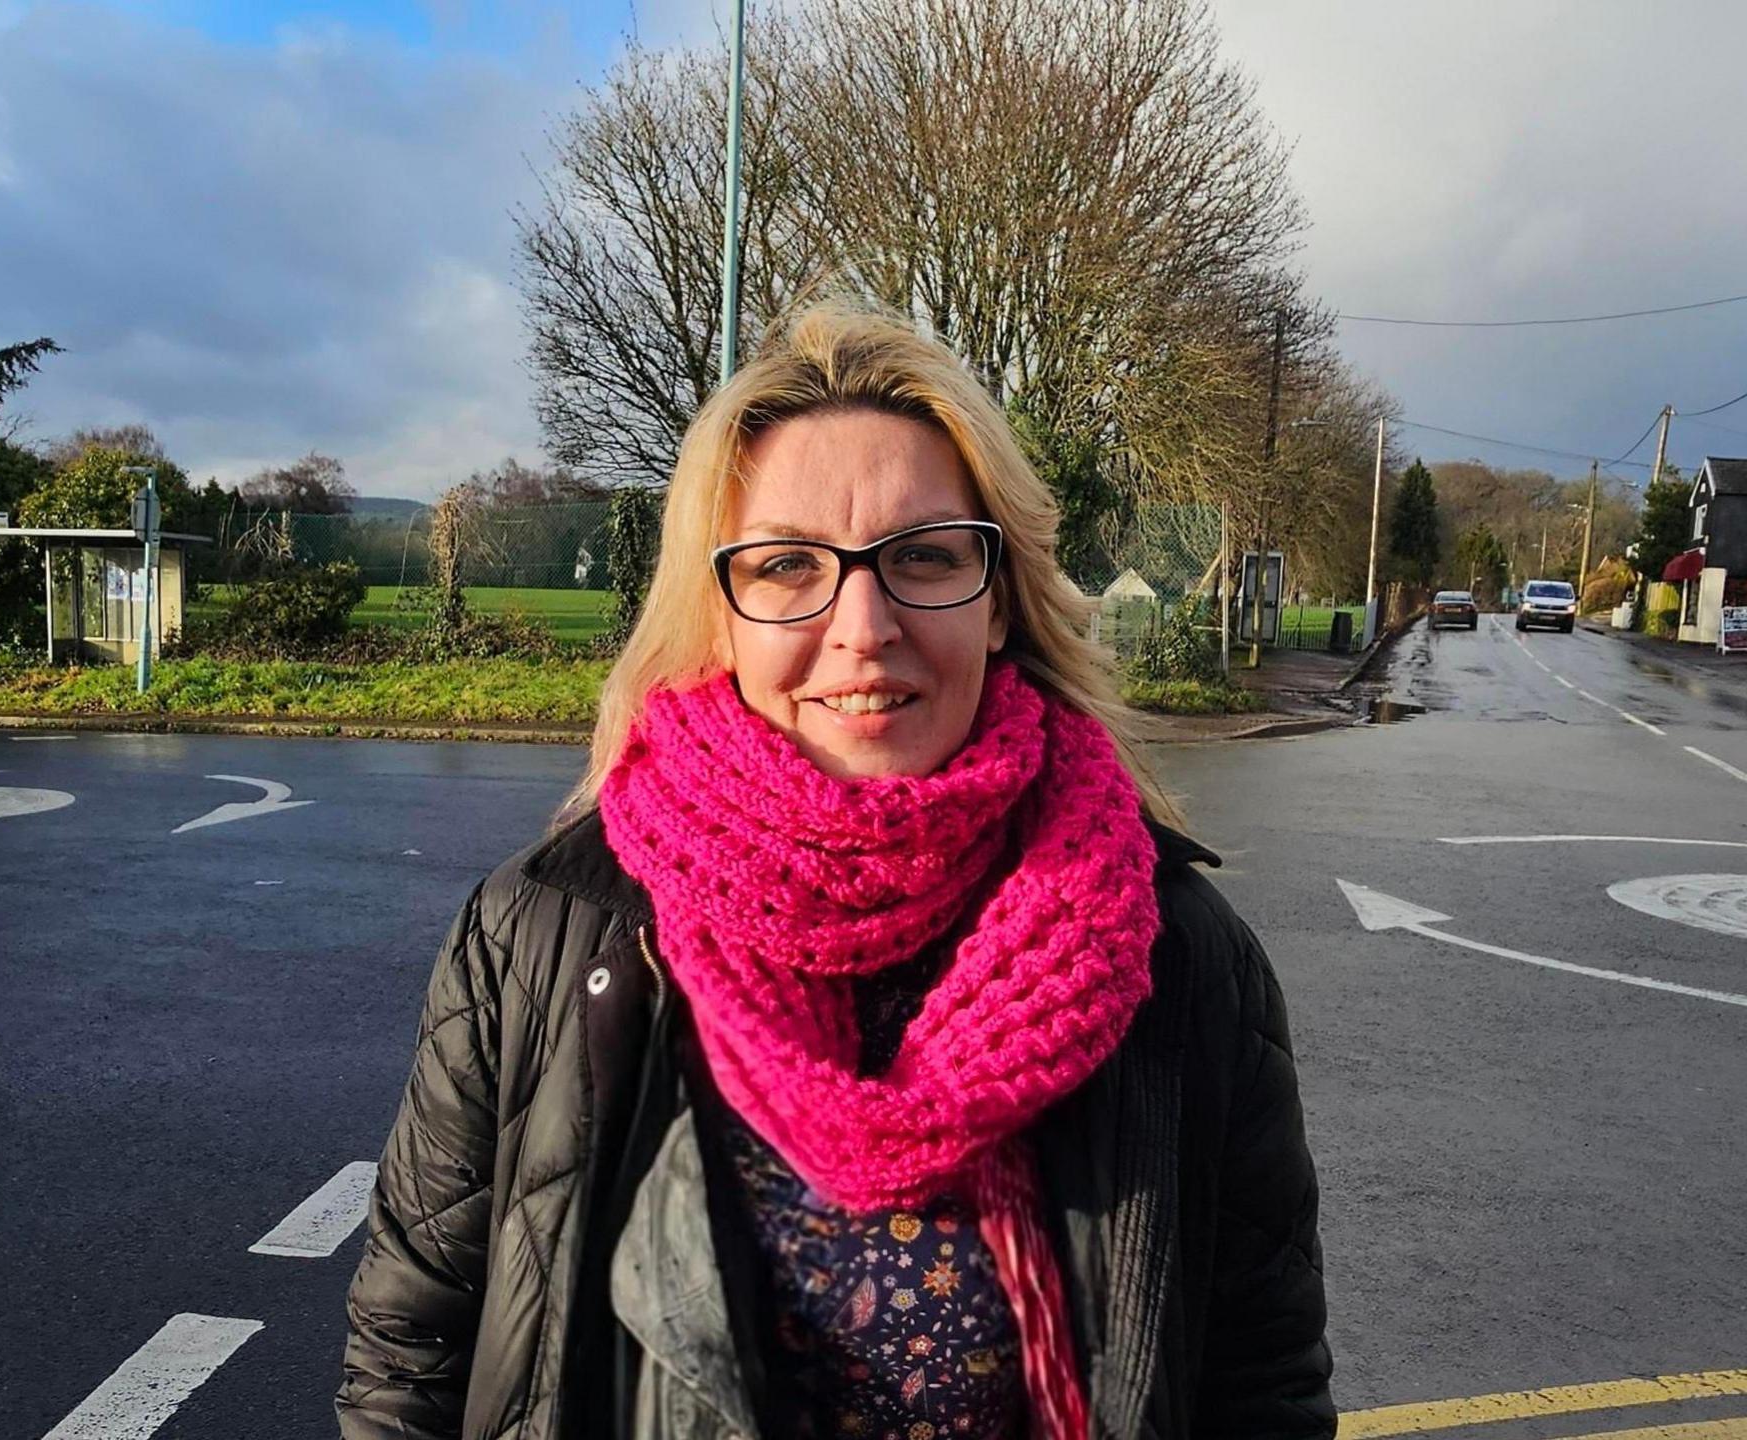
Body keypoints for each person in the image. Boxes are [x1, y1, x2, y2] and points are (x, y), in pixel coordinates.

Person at [339, 304, 1333, 1439]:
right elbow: (410, 1357)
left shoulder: (1179, 954)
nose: (863, 626)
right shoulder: (544, 939)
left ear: (1001, 597)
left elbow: (1263, 1387)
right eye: (786, 566)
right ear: (717, 613)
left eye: (923, 557)